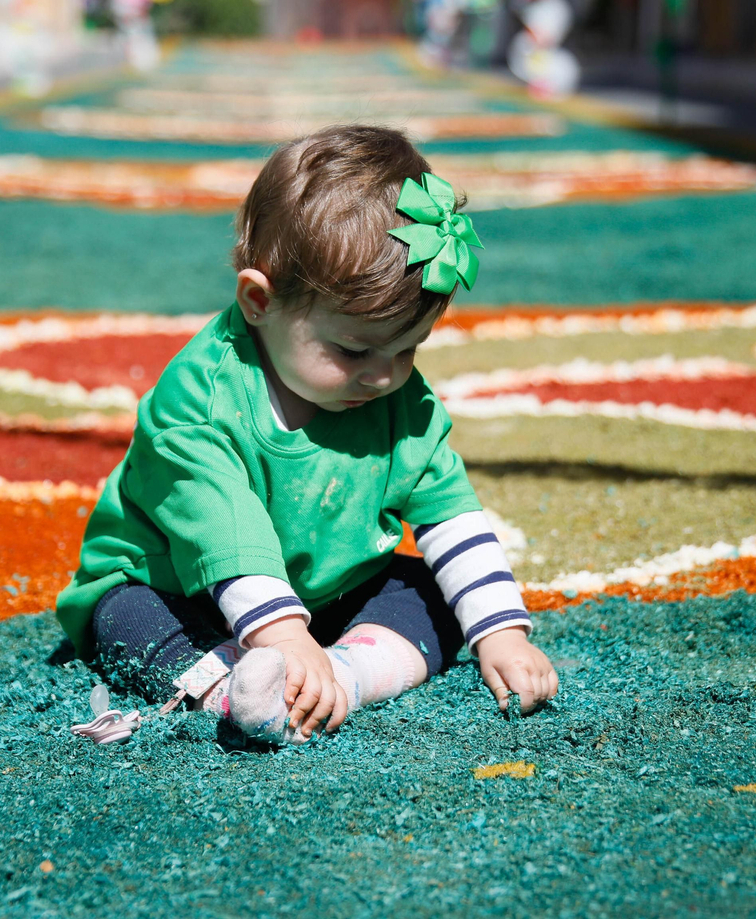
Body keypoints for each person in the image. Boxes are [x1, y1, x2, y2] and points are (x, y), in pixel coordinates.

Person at [56, 125, 559, 745]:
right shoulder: (197, 402)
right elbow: (223, 530)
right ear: (258, 300)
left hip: (318, 588)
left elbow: (450, 512)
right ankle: (235, 690)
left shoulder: (401, 398)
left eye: (410, 348)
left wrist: (501, 632)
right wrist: (286, 637)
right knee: (123, 618)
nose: (384, 375)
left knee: (434, 589)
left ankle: (342, 676)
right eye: (353, 349)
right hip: (177, 584)